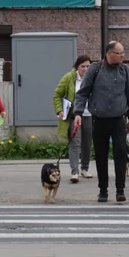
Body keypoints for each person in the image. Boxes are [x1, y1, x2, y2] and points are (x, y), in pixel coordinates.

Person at [72, 41, 129, 203]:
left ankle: (120, 190)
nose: (123, 56)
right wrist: (78, 113)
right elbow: (83, 92)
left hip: (118, 120)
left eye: (123, 53)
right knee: (101, 156)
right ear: (109, 53)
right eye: (119, 53)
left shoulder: (125, 71)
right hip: (99, 120)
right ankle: (103, 190)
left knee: (120, 154)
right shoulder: (94, 70)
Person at [53, 55, 94, 184]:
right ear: (77, 67)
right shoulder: (69, 78)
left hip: (89, 115)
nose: (86, 69)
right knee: (75, 143)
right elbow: (57, 94)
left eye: (88, 66)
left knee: (87, 143)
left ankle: (85, 168)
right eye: (83, 66)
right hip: (73, 115)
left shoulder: (94, 78)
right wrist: (59, 110)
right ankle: (74, 171)